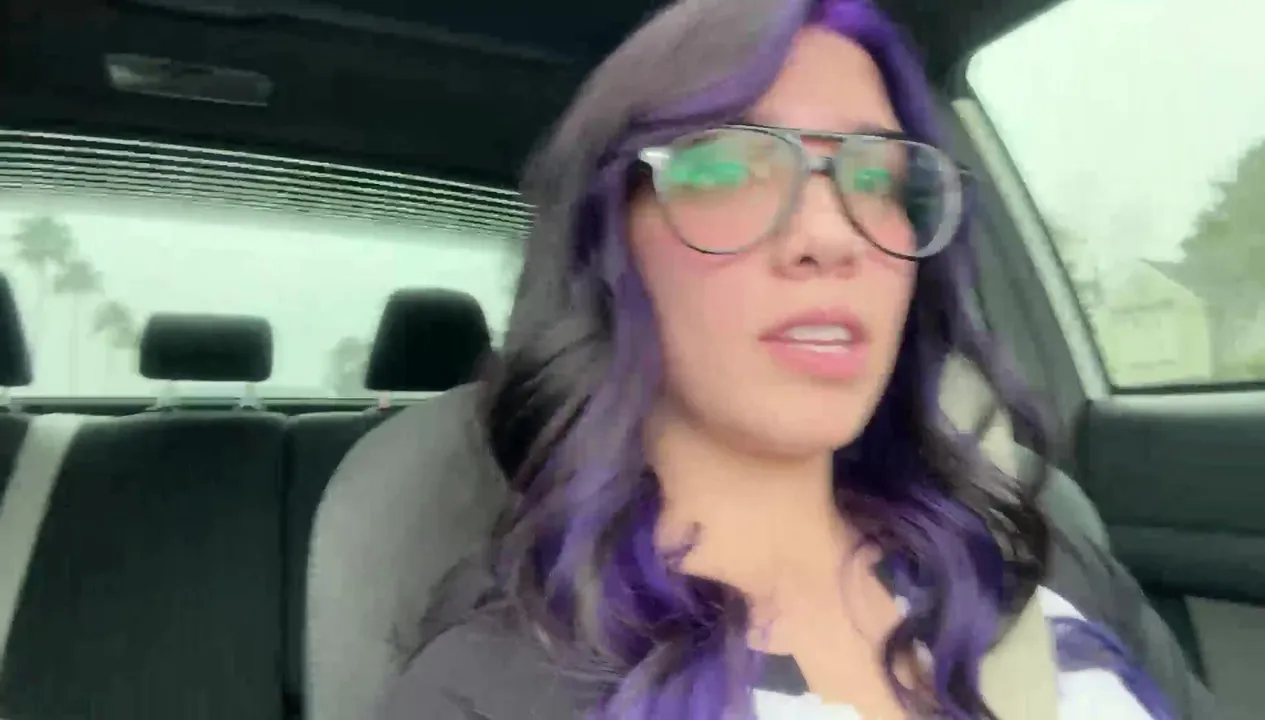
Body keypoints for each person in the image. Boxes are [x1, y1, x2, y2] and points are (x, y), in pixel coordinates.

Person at [379, 0, 1216, 717]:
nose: (831, 234)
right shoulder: (491, 690)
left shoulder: (1032, 560)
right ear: (609, 249)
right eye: (730, 167)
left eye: (877, 179)